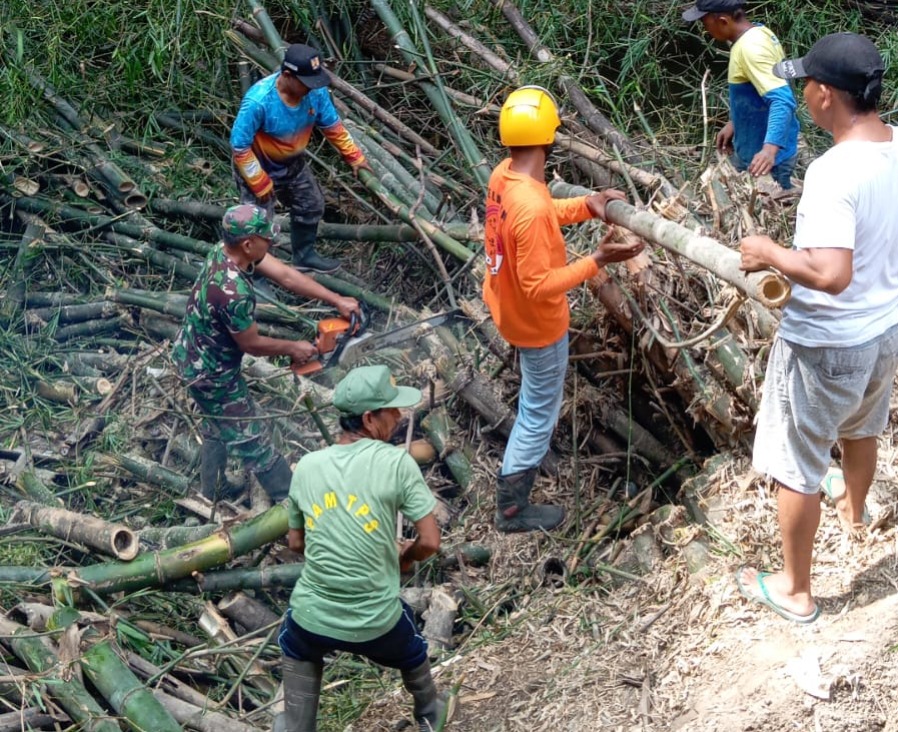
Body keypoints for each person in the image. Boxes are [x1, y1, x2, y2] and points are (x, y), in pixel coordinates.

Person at [737, 33, 898, 623]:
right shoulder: (895, 146)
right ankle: (856, 516)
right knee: (861, 429)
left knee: (796, 464)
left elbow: (830, 273)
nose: (802, 91)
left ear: (826, 94)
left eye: (806, 82)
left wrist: (768, 251)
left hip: (826, 341)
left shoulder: (833, 172)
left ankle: (796, 592)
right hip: (882, 330)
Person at [482, 86, 644, 533]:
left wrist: (588, 206)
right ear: (550, 138)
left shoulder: (504, 176)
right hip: (536, 323)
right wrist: (597, 262)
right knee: (537, 414)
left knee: (534, 403)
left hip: (506, 305)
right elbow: (538, 286)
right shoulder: (530, 205)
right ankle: (512, 509)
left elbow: (539, 211)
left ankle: (512, 499)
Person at [277, 365, 442, 732]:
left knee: (295, 641)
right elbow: (430, 542)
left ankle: (295, 725)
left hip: (312, 619)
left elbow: (296, 543)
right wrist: (405, 555)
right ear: (369, 418)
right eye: (392, 411)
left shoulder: (306, 466)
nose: (399, 417)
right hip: (375, 622)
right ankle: (431, 712)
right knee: (411, 646)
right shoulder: (397, 462)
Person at [171, 204, 360, 503]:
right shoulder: (231, 291)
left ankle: (213, 491)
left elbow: (286, 275)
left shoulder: (227, 250)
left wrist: (335, 299)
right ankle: (295, 504)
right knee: (253, 440)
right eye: (266, 237)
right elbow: (251, 344)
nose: (271, 242)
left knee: (216, 423)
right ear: (248, 243)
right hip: (209, 372)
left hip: (193, 354)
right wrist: (294, 348)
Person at [231, 43, 371, 274]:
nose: (311, 88)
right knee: (258, 225)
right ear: (287, 75)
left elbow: (332, 127)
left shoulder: (315, 93)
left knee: (311, 204)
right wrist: (259, 181)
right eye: (306, 83)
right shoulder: (259, 101)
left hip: (292, 163)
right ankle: (257, 275)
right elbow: (239, 146)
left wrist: (354, 156)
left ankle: (304, 256)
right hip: (257, 165)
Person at [683, 0, 800, 188]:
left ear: (723, 21)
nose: (705, 30)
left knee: (766, 211)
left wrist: (769, 150)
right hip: (753, 148)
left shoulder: (751, 49)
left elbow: (782, 100)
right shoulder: (760, 33)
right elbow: (757, 91)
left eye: (705, 23)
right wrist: (734, 122)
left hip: (766, 162)